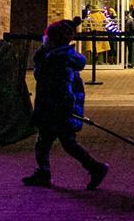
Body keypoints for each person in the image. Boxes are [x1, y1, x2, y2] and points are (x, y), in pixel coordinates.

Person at [22, 19, 109, 189]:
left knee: (61, 143)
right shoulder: (53, 57)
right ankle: (45, 171)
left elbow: (63, 87)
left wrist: (66, 108)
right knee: (49, 143)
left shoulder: (59, 60)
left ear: (54, 40)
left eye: (47, 38)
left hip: (56, 110)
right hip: (52, 108)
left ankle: (95, 167)